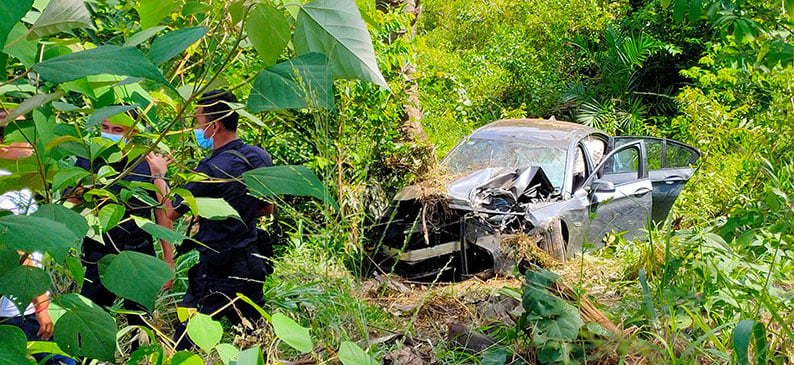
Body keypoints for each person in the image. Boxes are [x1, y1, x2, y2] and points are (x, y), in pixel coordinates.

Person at [146, 90, 273, 348]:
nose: (195, 127)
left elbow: (170, 211)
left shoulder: (211, 169)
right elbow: (267, 208)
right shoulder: (260, 157)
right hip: (252, 261)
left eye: (197, 121)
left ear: (214, 126)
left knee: (184, 340)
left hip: (217, 270)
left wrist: (159, 175)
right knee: (254, 337)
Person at [65, 108, 174, 338]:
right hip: (98, 255)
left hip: (139, 254)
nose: (110, 133)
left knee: (140, 325)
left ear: (132, 131)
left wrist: (168, 261)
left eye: (118, 129)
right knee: (91, 322)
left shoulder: (147, 161)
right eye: (105, 128)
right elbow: (69, 199)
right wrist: (81, 188)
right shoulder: (90, 158)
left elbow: (163, 213)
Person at [0, 110, 76, 365]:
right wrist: (41, 305)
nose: (31, 140)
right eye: (20, 134)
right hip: (18, 306)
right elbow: (17, 251)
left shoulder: (15, 181)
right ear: (3, 145)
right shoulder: (6, 191)